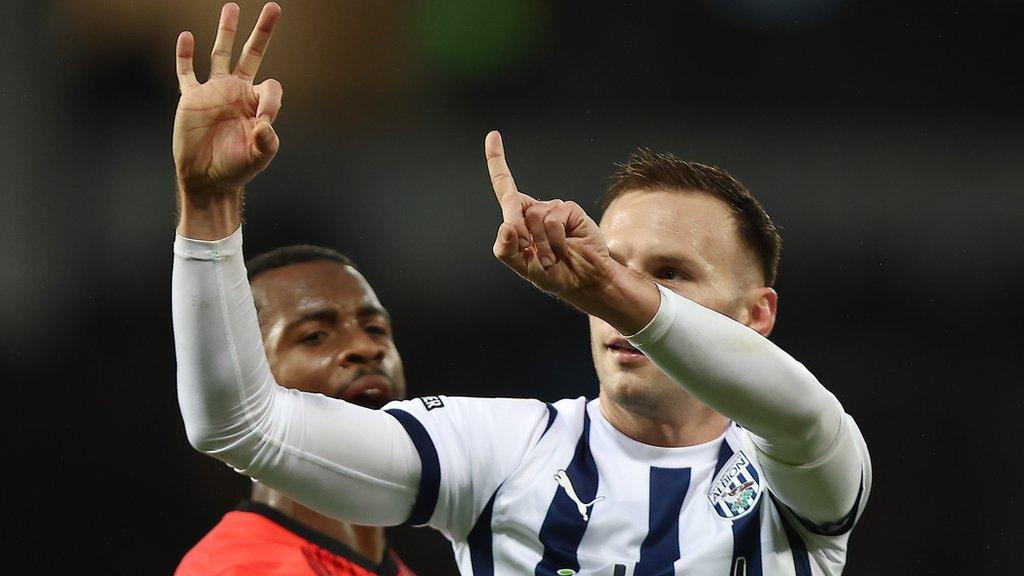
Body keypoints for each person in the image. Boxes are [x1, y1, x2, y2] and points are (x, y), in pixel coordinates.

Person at [171, 3, 871, 575]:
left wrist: (612, 291)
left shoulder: (794, 477)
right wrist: (207, 207)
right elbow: (237, 426)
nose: (620, 289)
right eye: (616, 263)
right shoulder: (502, 452)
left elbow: (800, 416)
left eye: (669, 273)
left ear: (756, 315)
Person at [175, 242, 417, 576]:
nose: (366, 348)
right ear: (248, 378)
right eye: (315, 336)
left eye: (375, 329)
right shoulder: (238, 568)